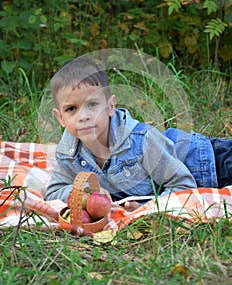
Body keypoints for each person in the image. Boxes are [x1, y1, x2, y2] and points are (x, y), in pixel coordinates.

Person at [45, 58, 232, 211]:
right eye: (71, 109)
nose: (83, 116)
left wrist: (148, 207)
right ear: (60, 118)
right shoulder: (69, 154)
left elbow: (183, 183)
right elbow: (53, 192)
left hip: (208, 162)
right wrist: (83, 192)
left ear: (110, 106)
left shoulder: (140, 140)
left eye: (92, 104)